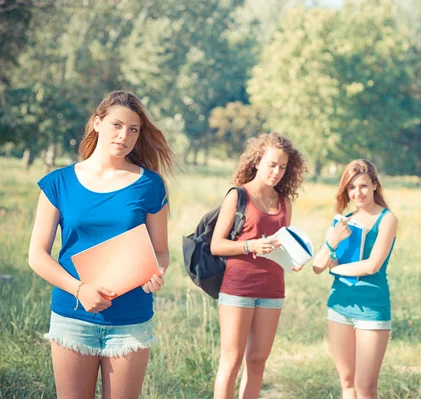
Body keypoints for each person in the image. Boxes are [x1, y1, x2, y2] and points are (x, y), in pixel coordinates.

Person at [28, 91, 175, 398]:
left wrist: (156, 271)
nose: (124, 135)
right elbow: (37, 256)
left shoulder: (150, 185)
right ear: (97, 123)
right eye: (116, 125)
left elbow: (160, 251)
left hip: (131, 321)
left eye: (133, 129)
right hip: (72, 316)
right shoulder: (59, 183)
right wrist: (80, 290)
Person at [210, 132, 307, 399]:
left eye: (283, 167)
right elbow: (216, 245)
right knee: (231, 361)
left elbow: (282, 244)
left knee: (257, 361)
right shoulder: (237, 196)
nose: (277, 172)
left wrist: (291, 260)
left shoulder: (284, 202)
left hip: (273, 290)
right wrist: (249, 246)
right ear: (256, 162)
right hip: (238, 288)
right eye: (272, 164)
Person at [313, 159, 398, 399]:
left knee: (366, 388)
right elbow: (318, 266)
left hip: (372, 308)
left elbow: (372, 266)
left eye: (362, 186)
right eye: (351, 188)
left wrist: (336, 269)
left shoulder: (387, 219)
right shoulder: (344, 222)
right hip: (339, 305)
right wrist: (334, 239)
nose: (357, 193)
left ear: (374, 185)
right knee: (347, 384)